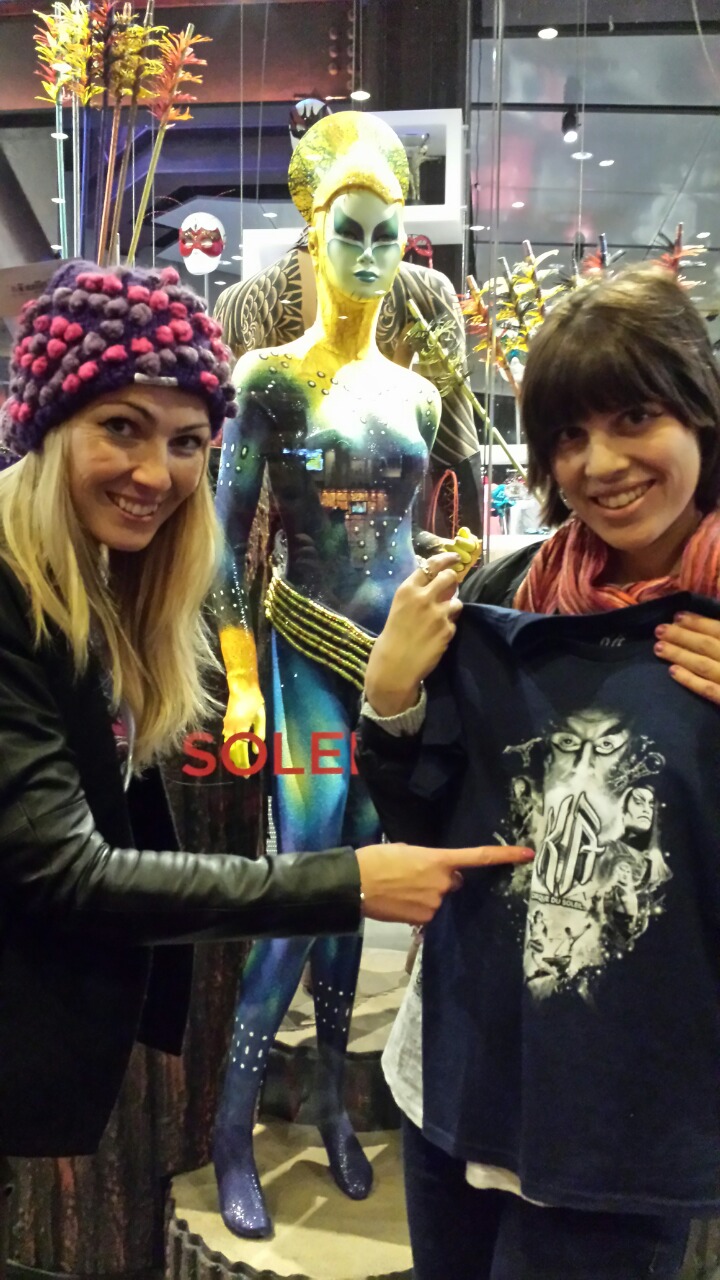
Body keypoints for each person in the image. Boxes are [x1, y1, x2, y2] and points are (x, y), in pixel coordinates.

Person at [0, 258, 530, 1280]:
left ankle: (330, 1105)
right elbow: (64, 870)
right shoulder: (24, 589)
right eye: (120, 426)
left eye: (184, 441)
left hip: (379, 656)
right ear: (50, 423)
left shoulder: (98, 588)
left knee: (339, 924)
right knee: (311, 906)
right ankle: (234, 1127)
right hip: (299, 654)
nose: (155, 471)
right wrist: (343, 871)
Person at [357, 264, 720, 1280]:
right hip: (459, 1068)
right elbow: (427, 822)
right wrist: (390, 696)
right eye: (567, 434)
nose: (600, 464)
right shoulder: (513, 589)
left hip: (625, 1121)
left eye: (635, 416)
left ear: (700, 411)